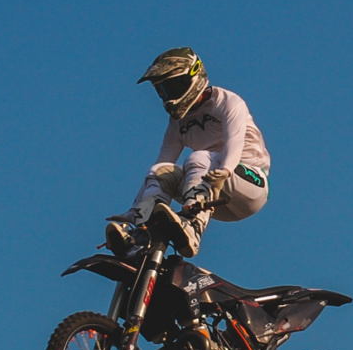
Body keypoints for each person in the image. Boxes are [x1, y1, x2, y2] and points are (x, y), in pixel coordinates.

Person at [106, 48, 270, 258]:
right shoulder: (177, 123)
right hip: (212, 194)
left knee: (199, 157)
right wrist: (135, 207)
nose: (169, 96)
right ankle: (141, 233)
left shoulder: (227, 101)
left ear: (194, 77)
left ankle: (193, 228)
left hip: (250, 184)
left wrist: (226, 170)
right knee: (162, 171)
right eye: (162, 91)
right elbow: (160, 164)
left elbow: (234, 140)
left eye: (173, 87)